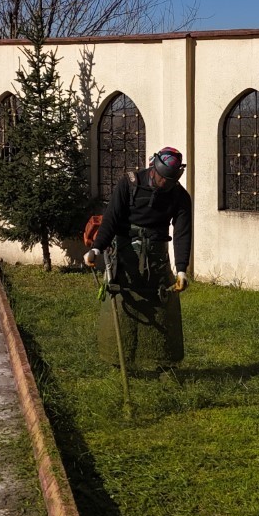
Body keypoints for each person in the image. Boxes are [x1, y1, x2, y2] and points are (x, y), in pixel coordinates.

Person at [84, 147, 193, 371]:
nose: (163, 183)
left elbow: (182, 233)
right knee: (124, 302)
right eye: (161, 178)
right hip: (125, 254)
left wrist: (182, 269)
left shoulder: (180, 196)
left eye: (169, 181)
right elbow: (111, 219)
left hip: (157, 257)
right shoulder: (129, 183)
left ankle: (161, 362)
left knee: (160, 305)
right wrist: (96, 249)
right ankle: (117, 358)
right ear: (153, 168)